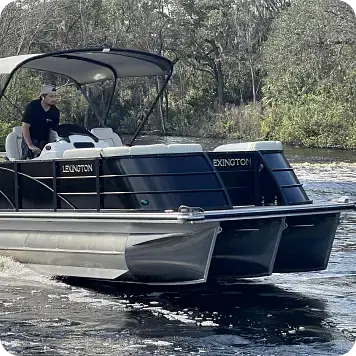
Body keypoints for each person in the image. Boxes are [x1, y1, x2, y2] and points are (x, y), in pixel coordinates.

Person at [21, 84, 60, 159]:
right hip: (30, 139)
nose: (54, 99)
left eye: (55, 96)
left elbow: (54, 130)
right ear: (43, 97)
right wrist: (30, 145)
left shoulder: (55, 111)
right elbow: (25, 127)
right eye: (51, 96)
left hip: (45, 141)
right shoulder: (33, 107)